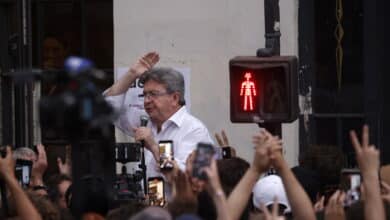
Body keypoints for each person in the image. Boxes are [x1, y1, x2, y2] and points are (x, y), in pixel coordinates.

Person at [104, 51, 213, 178]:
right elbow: (108, 108)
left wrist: (154, 147)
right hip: (150, 198)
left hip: (176, 199)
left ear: (175, 98)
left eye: (153, 94)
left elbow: (188, 179)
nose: (146, 100)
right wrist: (132, 74)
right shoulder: (145, 123)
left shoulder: (195, 130)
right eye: (145, 95)